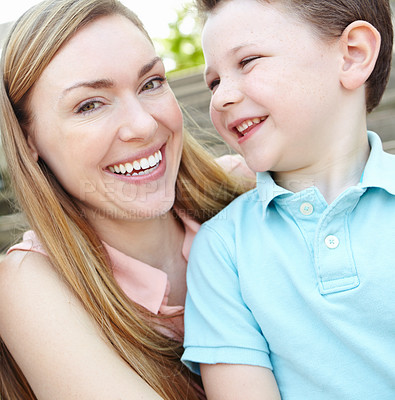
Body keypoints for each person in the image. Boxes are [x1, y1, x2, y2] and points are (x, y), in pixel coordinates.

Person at [0, 0, 254, 399]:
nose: (143, 123)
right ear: (29, 139)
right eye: (89, 105)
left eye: (151, 83)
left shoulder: (248, 188)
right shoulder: (28, 282)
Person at [182, 0, 395, 399]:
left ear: (353, 55)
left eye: (247, 61)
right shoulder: (223, 249)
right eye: (213, 82)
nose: (221, 97)